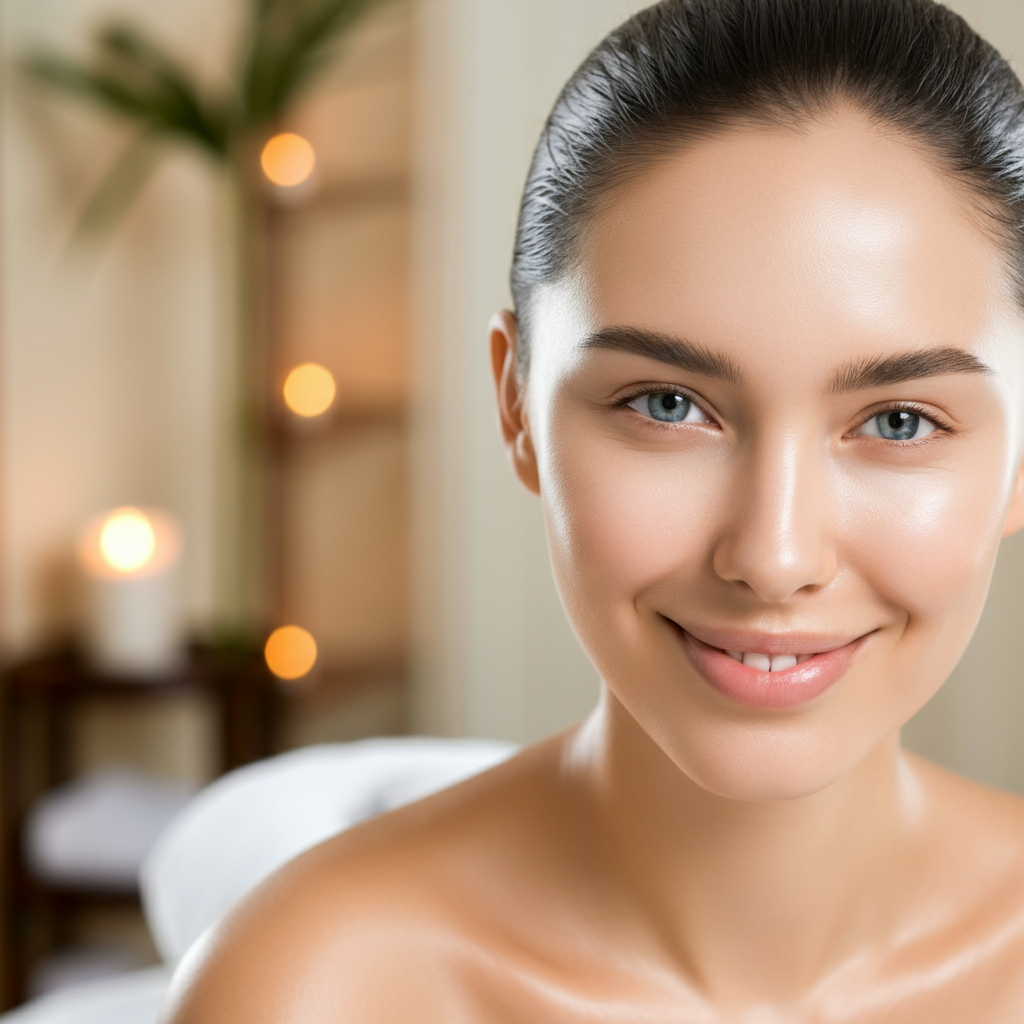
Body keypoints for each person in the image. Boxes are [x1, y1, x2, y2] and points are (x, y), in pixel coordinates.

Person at [163, 0, 1024, 1019]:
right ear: (516, 408)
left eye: (898, 421)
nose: (774, 554)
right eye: (667, 405)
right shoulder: (315, 988)